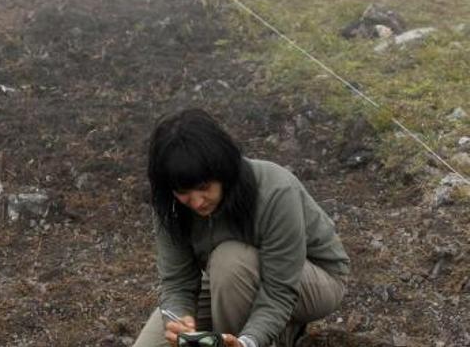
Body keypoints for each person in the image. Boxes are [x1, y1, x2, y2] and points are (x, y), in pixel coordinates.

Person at [133, 109, 350, 347]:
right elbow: (177, 282)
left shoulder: (275, 191)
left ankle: (274, 335)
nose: (196, 202)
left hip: (309, 279)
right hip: (226, 279)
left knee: (230, 261)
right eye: (183, 192)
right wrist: (178, 321)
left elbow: (279, 291)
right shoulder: (171, 204)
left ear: (223, 170)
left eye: (204, 187)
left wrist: (248, 341)